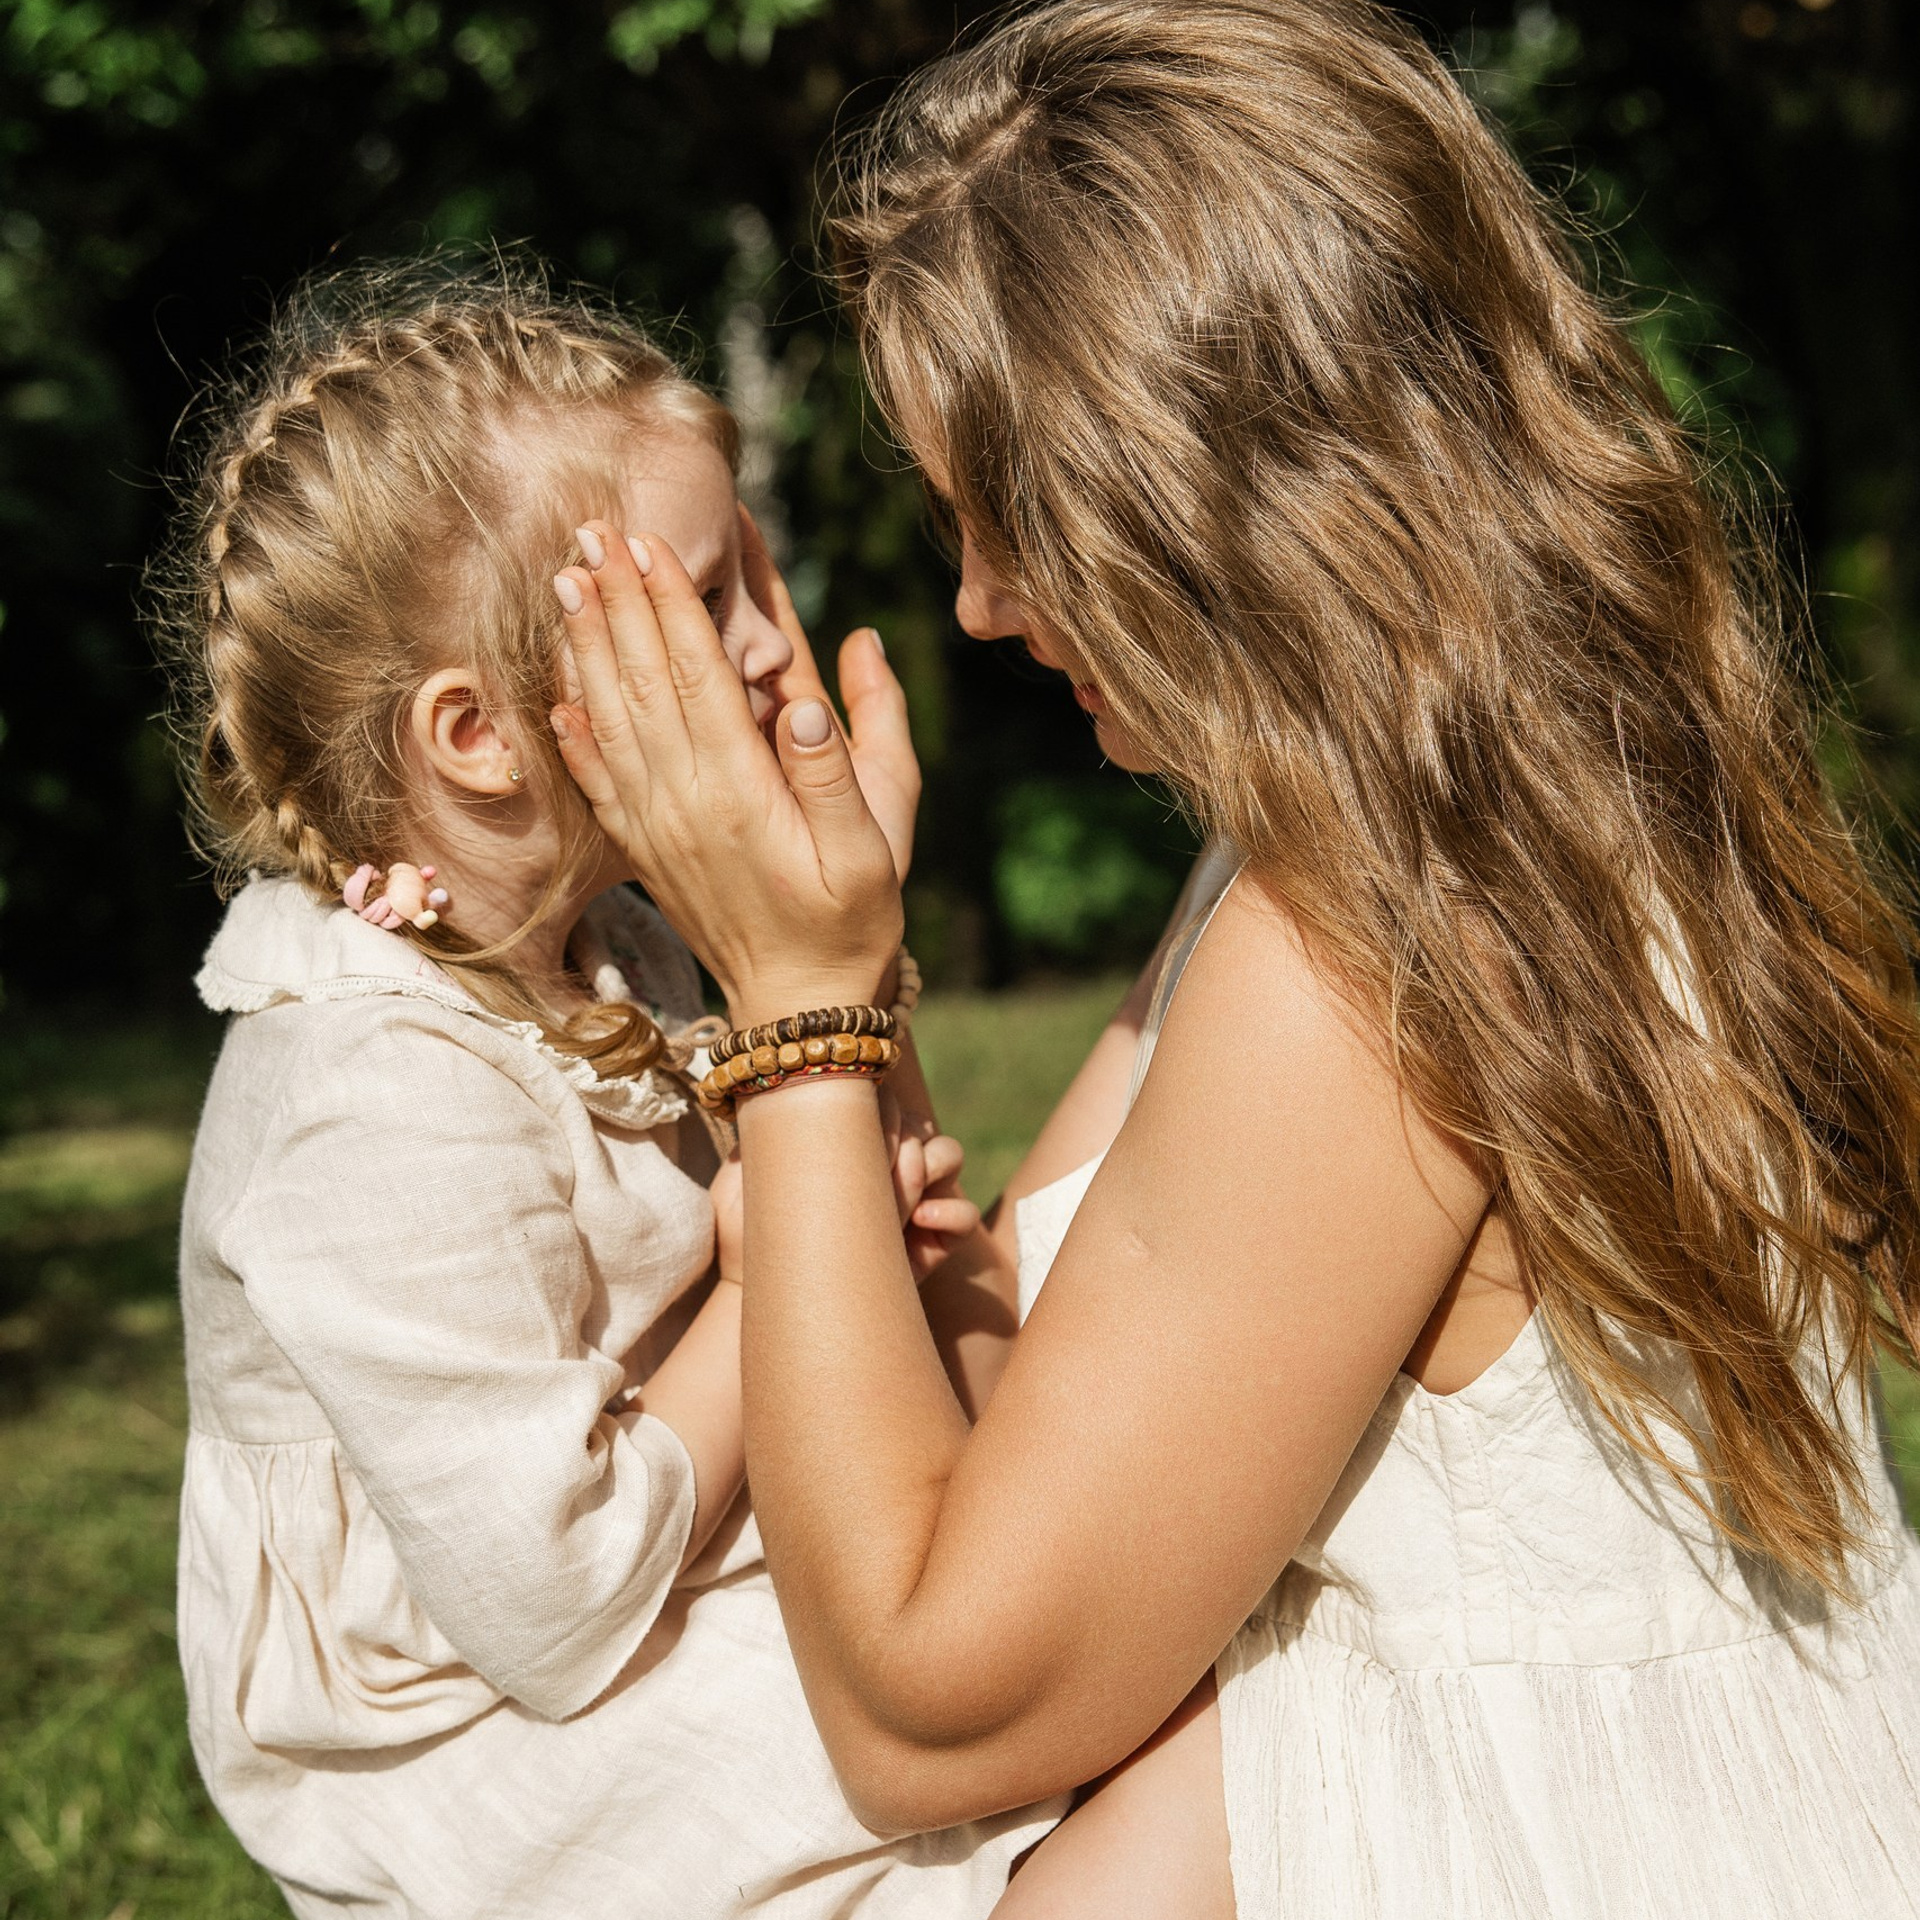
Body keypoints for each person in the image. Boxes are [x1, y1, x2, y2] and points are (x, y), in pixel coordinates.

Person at [545, 2, 1920, 1914]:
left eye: (1011, 517)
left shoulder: (1370, 956)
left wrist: (792, 1017)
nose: (981, 603)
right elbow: (1028, 1415)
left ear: (1213, 485)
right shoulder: (1505, 808)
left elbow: (935, 1708)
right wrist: (854, 994)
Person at [159, 263, 1060, 1917]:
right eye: (704, 599)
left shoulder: (611, 936)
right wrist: (776, 1259)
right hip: (475, 1728)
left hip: (671, 1552)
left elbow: (844, 1194)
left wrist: (846, 951)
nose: (768, 654)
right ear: (482, 736)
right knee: (1035, 1761)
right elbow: (555, 1604)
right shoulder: (369, 1098)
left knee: (1053, 1622)